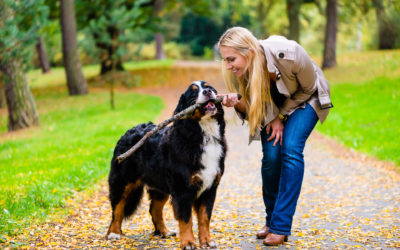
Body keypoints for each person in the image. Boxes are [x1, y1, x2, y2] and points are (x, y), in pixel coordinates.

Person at [217, 27, 332, 246]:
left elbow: (307, 89)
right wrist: (237, 103)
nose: (228, 66)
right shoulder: (241, 72)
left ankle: (281, 226)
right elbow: (253, 110)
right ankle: (271, 221)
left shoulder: (290, 52)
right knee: (271, 157)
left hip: (309, 98)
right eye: (225, 60)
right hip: (273, 109)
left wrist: (279, 115)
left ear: (248, 51)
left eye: (231, 59)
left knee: (290, 148)